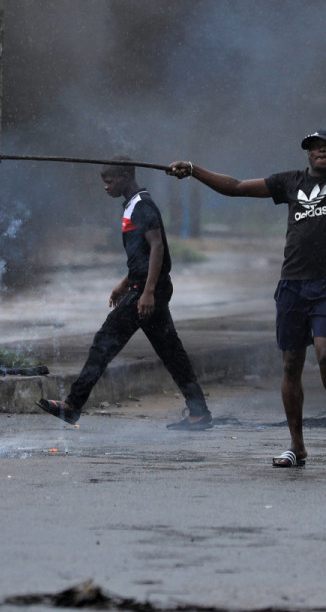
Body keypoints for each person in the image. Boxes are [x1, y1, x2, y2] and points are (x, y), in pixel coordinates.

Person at [171, 77, 326, 467]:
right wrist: (193, 169)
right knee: (290, 364)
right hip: (292, 284)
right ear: (306, 155)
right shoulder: (289, 182)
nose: (320, 151)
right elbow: (235, 187)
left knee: (324, 354)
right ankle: (297, 445)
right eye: (314, 148)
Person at [38, 162, 212, 429]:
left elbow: (157, 249)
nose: (106, 187)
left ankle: (72, 405)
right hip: (143, 286)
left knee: (103, 343)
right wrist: (124, 283)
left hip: (147, 290)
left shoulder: (142, 205)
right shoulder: (132, 205)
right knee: (172, 353)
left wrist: (147, 293)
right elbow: (141, 256)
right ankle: (199, 413)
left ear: (126, 177)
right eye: (104, 182)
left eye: (110, 181)